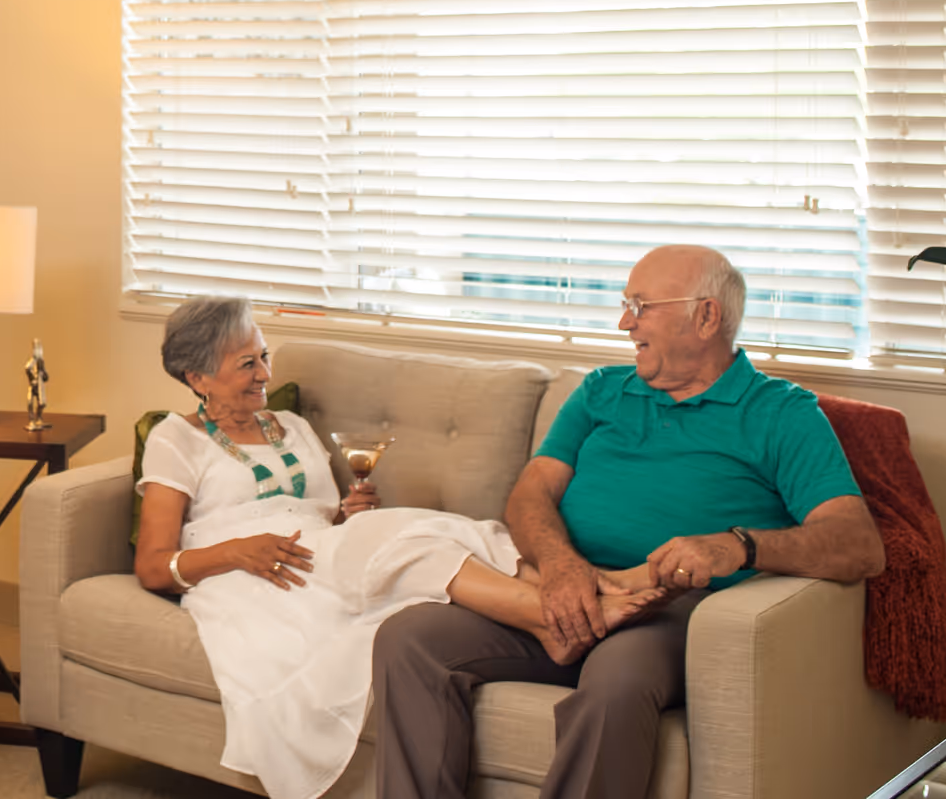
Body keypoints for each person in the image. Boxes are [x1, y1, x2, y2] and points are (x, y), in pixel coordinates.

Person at [371, 245, 885, 799]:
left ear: (706, 316)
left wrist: (739, 546)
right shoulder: (602, 391)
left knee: (617, 679)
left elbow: (859, 544)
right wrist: (564, 567)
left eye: (641, 305)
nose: (624, 322)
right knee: (411, 636)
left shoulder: (782, 413)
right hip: (559, 587)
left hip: (670, 609)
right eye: (624, 304)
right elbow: (531, 493)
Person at [136, 296, 664, 799]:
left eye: (265, 357)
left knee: (435, 530)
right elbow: (154, 567)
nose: (266, 375)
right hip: (253, 579)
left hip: (316, 551)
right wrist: (237, 552)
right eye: (247, 364)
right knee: (410, 539)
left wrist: (350, 513)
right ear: (197, 377)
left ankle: (580, 593)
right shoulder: (174, 440)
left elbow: (321, 516)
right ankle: (562, 608)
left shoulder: (290, 426)